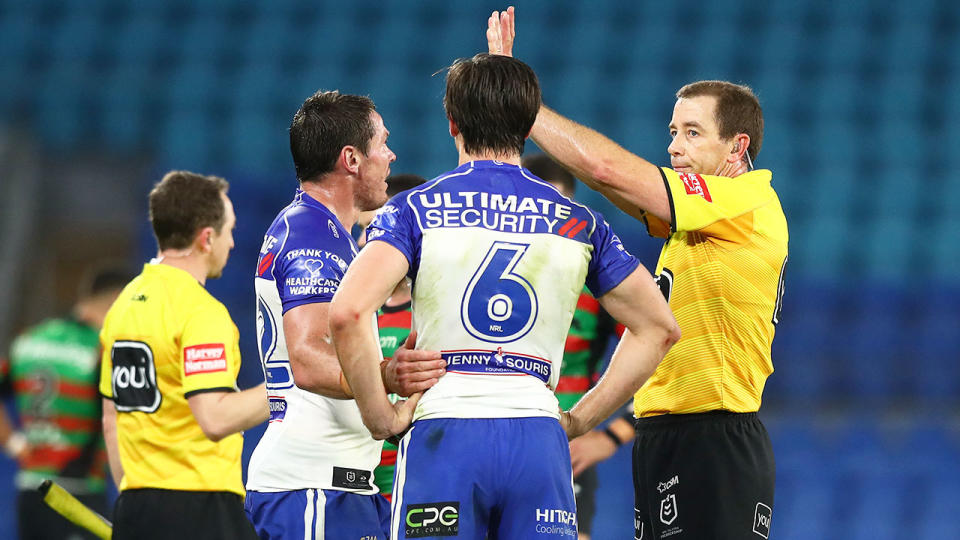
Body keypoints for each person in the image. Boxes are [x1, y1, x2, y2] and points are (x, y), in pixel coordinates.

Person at [329, 53, 680, 540]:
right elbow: (660, 328)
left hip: (445, 433)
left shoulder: (415, 208)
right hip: (537, 435)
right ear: (526, 125)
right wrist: (580, 420)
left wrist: (380, 417)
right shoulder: (580, 221)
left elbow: (347, 313)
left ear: (452, 122)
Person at [488, 8, 788, 539]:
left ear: (737, 147)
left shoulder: (747, 202)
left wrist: (520, 108)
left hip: (714, 438)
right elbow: (612, 190)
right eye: (673, 131)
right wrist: (576, 423)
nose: (674, 146)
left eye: (693, 133)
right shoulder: (694, 231)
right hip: (663, 434)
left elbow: (608, 171)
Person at [245, 92, 445, 540]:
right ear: (352, 158)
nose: (391, 155)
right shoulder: (311, 233)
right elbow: (308, 360)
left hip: (338, 484)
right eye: (382, 143)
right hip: (313, 486)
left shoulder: (322, 230)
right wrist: (386, 378)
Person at [98, 171, 269, 540]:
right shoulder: (200, 312)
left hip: (135, 506)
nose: (233, 243)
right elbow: (215, 417)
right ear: (206, 238)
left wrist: (134, 495)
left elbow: (112, 418)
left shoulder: (123, 305)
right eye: (230, 231)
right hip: (200, 507)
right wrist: (290, 387)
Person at [521, 154, 616, 540]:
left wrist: (610, 434)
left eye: (559, 210)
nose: (550, 222)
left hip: (564, 449)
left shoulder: (599, 279)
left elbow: (662, 350)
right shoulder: (475, 270)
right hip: (486, 440)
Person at [0, 265, 131, 539]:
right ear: (116, 300)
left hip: (30, 492)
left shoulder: (30, 339)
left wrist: (14, 444)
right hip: (78, 495)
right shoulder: (103, 349)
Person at [357, 173, 428, 504]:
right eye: (361, 230)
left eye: (373, 230)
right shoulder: (356, 312)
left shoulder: (440, 315)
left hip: (423, 493)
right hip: (360, 491)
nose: (361, 242)